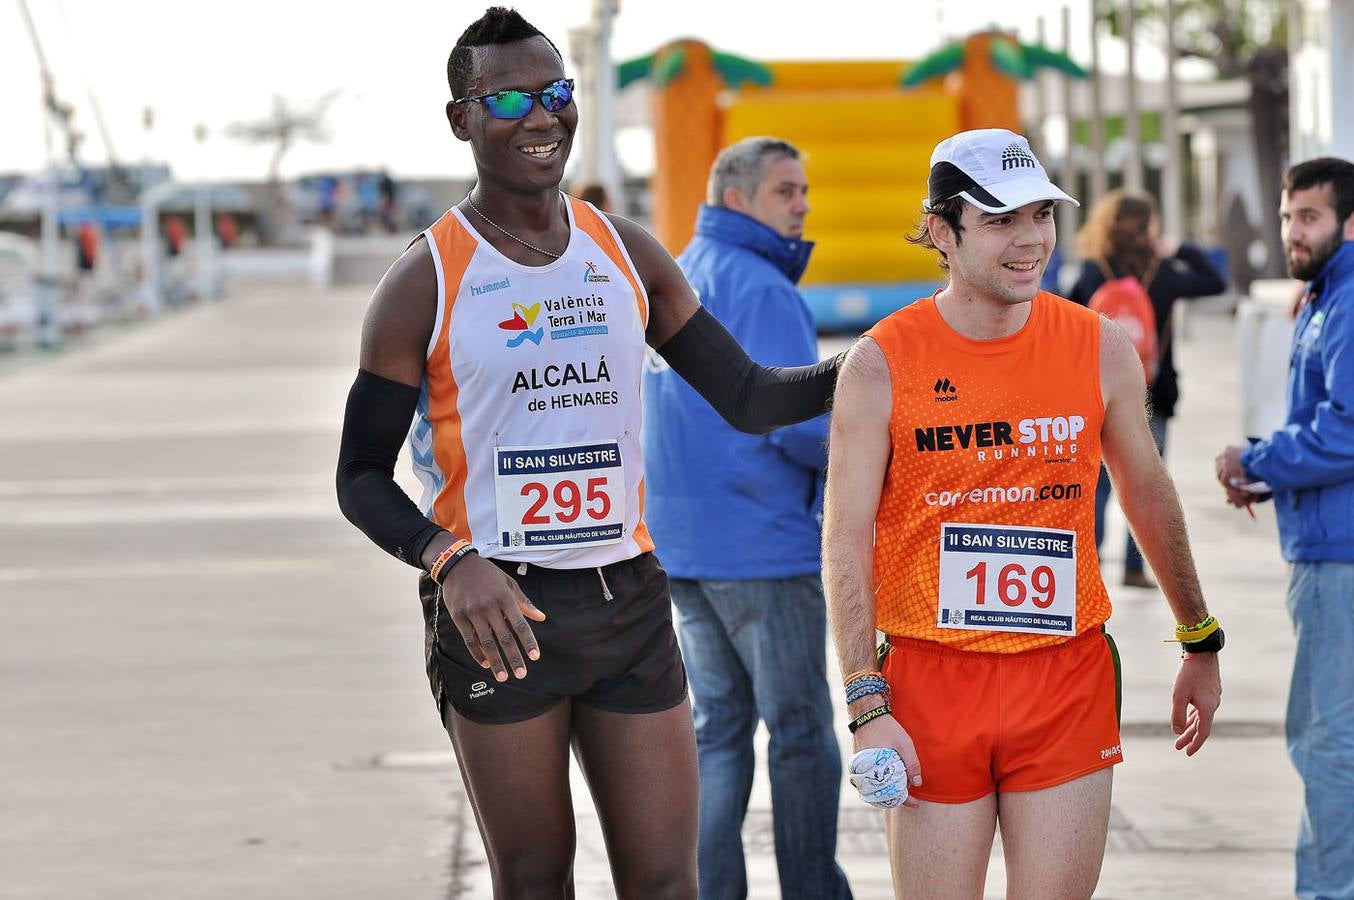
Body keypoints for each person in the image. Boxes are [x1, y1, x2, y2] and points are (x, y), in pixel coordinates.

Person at [334, 9, 841, 899]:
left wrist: (882, 357)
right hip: (500, 613)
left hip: (630, 601)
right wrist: (450, 562)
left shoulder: (626, 252)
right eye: (513, 98)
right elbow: (359, 476)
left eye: (557, 93)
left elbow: (751, 395)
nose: (543, 117)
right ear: (461, 118)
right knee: (536, 880)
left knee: (665, 883)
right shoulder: (426, 281)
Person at [823, 129, 1223, 899]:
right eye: (1002, 219)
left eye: (1041, 214)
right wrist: (866, 699)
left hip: (1064, 674)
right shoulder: (879, 363)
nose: (1031, 239)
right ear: (942, 230)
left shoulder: (1098, 345)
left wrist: (1199, 637)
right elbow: (843, 536)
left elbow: (1145, 490)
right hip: (932, 680)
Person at [642, 137, 851, 900]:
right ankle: (812, 891)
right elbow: (794, 423)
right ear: (738, 200)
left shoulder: (680, 270)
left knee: (719, 736)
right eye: (786, 192)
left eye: (803, 190)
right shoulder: (760, 285)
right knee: (799, 736)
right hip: (762, 549)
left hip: (686, 549)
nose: (803, 204)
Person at [1215, 156, 1354, 900]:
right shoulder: (1327, 296)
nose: (1293, 233)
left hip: (1341, 561)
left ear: (1349, 223)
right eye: (1287, 217)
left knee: (1327, 740)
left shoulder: (1349, 301)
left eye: (1311, 217)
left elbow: (1347, 431)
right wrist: (1268, 476)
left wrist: (1258, 457)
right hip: (1328, 544)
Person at [1069, 190, 1226, 588]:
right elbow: (1215, 282)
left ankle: (1088, 565)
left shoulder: (1092, 271)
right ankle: (1137, 568)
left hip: (1096, 391)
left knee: (1098, 482)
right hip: (1152, 392)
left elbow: (1063, 318)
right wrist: (1182, 248)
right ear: (1148, 227)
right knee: (1146, 481)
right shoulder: (1165, 272)